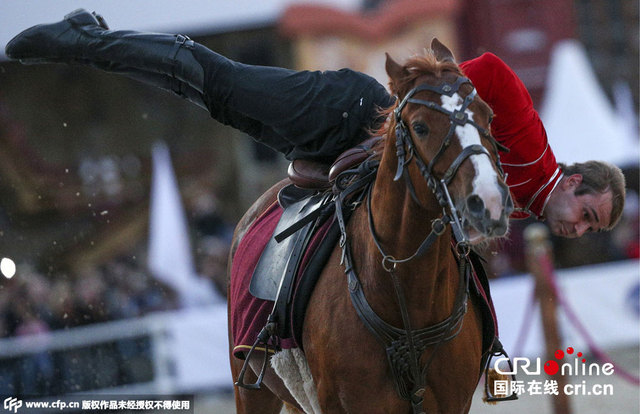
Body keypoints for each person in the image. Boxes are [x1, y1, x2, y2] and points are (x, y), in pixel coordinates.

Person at [4, 9, 625, 238]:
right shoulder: (533, 153)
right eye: (589, 217)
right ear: (572, 183)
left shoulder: (519, 205)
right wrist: (415, 114)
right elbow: (485, 68)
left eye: (591, 228)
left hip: (341, 152)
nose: (581, 231)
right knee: (214, 80)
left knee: (213, 102)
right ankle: (83, 40)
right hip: (351, 111)